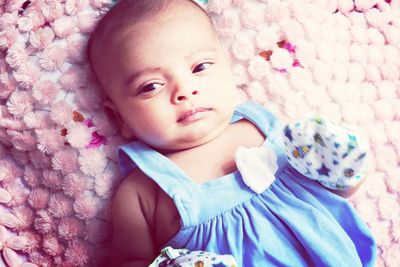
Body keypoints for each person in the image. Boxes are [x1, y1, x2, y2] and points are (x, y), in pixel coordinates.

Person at [87, 0, 377, 266]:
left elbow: (327, 199)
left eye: (199, 67)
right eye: (151, 86)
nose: (185, 91)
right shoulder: (141, 191)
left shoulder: (263, 128)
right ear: (119, 117)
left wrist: (341, 169)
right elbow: (127, 261)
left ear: (227, 67)